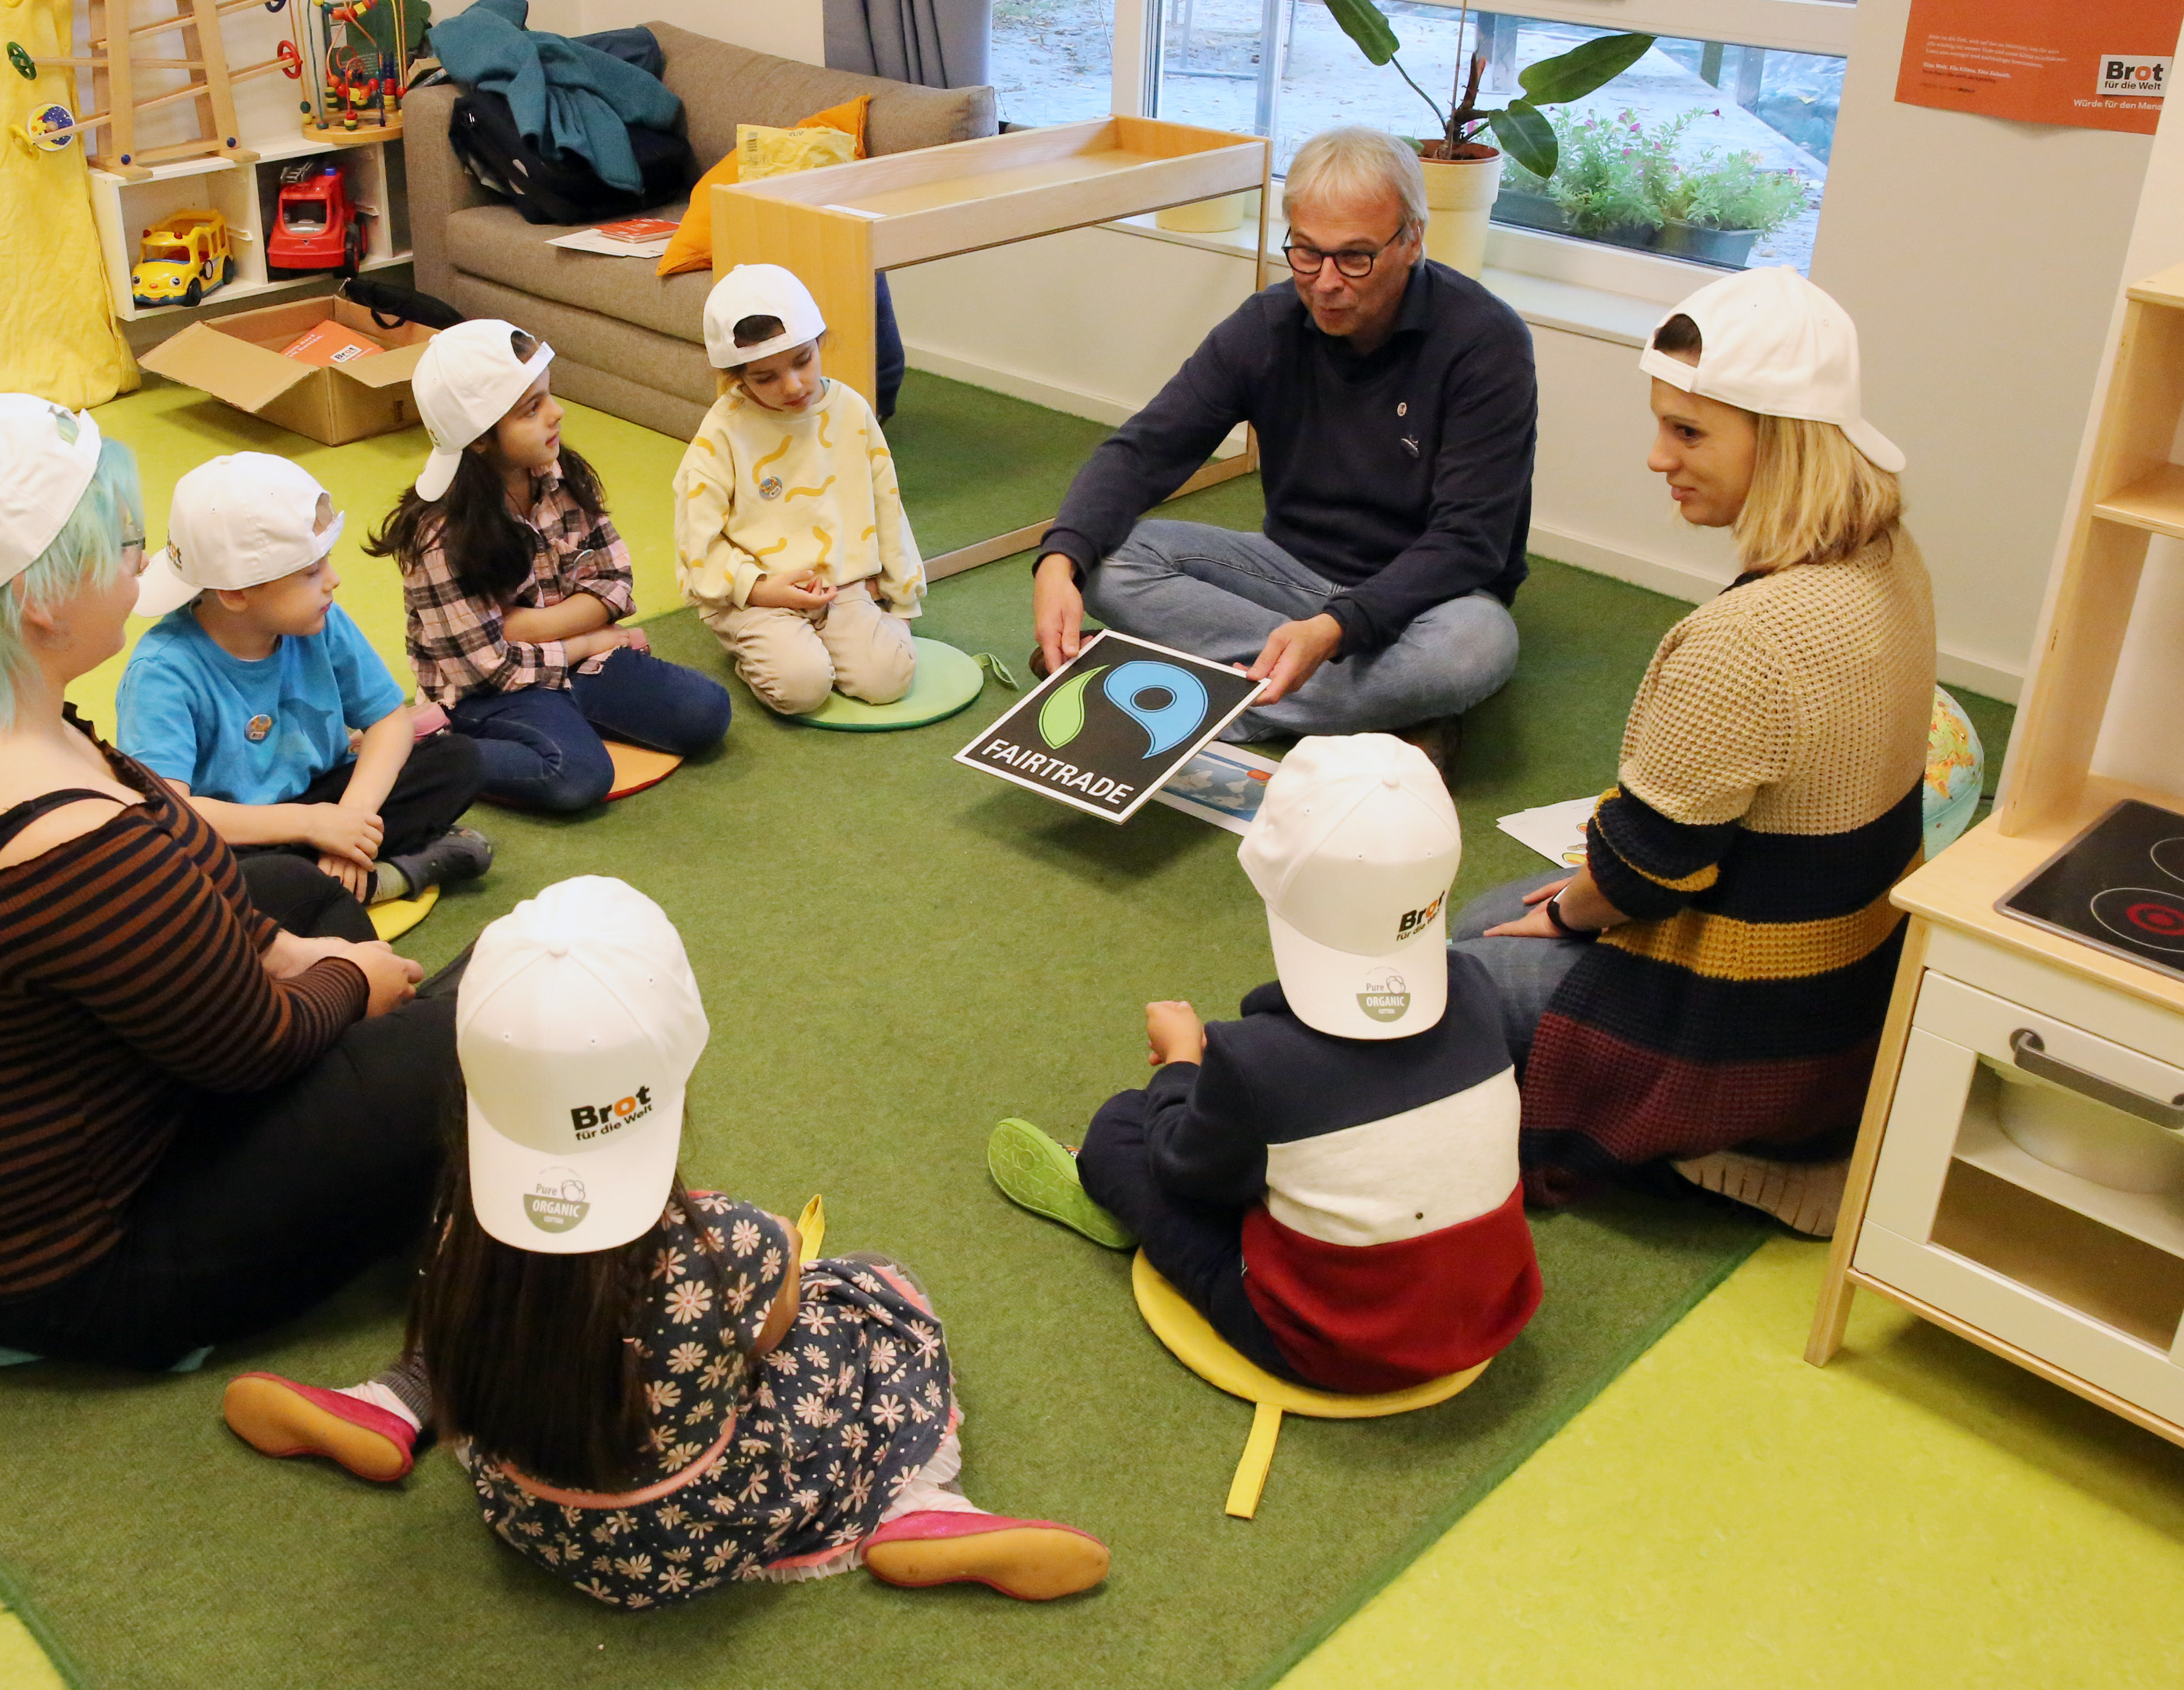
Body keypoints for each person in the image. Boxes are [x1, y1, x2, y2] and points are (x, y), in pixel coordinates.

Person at [219, 875, 1111, 1607]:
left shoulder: (462, 1212)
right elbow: (772, 1334)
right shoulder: (730, 1243)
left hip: (530, 1509)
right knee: (877, 1292)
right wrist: (785, 1266)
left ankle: (392, 1399)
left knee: (504, 1294)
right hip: (695, 1528)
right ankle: (920, 1504)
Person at [0, 395, 458, 1370]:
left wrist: (283, 946)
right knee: (466, 1035)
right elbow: (258, 1046)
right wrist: (347, 982)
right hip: (69, 1268)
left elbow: (170, 844)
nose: (141, 565)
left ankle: (377, 1095)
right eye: (126, 544)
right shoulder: (63, 842)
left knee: (293, 895)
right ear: (40, 597)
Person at [1449, 266, 1935, 1236]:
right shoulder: (1891, 556)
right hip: (1850, 979)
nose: (1657, 458)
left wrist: (1578, 912)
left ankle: (1715, 1138)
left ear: (1782, 438)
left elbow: (1643, 872)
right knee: (1493, 919)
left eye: (1689, 432)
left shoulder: (1748, 641)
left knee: (1453, 970)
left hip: (1752, 1019)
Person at [987, 734, 1540, 1392]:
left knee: (1122, 1129)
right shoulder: (1476, 988)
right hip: (1490, 1310)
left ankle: (1097, 1182)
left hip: (1327, 1347)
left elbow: (1185, 1172)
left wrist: (1181, 1064)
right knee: (1277, 1151)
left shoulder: (1255, 1058)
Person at [1030, 124, 1536, 768]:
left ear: (1412, 240)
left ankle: (1197, 699)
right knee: (1109, 558)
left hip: (1430, 601)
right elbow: (1144, 450)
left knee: (1475, 648)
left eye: (1355, 258)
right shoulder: (1266, 326)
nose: (1325, 282)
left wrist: (1338, 627)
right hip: (1286, 571)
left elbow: (1471, 540)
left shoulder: (1486, 342)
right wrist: (1060, 558)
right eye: (1307, 253)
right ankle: (1387, 716)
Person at [370, 319, 731, 809]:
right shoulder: (440, 537)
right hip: (490, 693)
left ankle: (566, 717)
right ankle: (424, 752)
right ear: (479, 438)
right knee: (576, 775)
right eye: (532, 409)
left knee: (706, 712)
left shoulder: (559, 474)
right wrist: (590, 641)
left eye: (548, 395)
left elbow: (614, 583)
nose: (557, 413)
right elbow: (491, 669)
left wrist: (525, 626)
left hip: (568, 667)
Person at [113, 451, 491, 906]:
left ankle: (325, 882)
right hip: (241, 834)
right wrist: (314, 826)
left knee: (456, 760)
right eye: (312, 572)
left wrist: (350, 821)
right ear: (235, 592)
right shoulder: (162, 672)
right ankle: (392, 873)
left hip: (324, 798)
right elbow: (169, 810)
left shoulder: (319, 619)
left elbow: (389, 721)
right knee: (193, 875)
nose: (333, 580)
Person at [674, 263, 926, 716]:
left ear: (819, 343)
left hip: (841, 586)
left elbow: (886, 503)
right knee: (802, 688)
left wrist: (902, 602)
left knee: (888, 679)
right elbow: (697, 538)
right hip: (755, 595)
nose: (792, 386)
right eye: (765, 378)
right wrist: (759, 589)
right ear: (737, 377)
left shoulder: (851, 410)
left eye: (803, 361)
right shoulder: (723, 431)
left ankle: (821, 640)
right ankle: (767, 647)